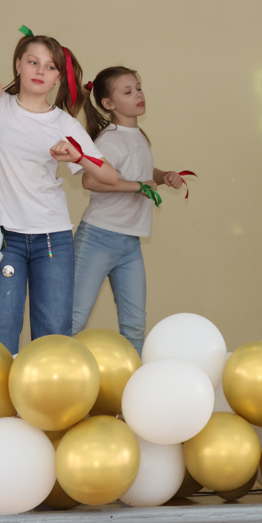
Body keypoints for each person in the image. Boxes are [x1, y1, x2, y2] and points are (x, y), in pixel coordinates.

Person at [0, 28, 118, 354]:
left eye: (50, 66)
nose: (41, 71)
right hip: (0, 238)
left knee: (53, 340)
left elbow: (110, 176)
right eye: (33, 62)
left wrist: (78, 156)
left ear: (58, 77)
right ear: (18, 65)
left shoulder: (64, 124)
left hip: (52, 239)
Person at [72, 66, 186, 355]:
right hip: (98, 238)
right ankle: (47, 374)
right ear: (108, 104)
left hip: (129, 242)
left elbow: (140, 172)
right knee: (73, 320)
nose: (138, 94)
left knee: (135, 325)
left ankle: (134, 380)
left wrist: (163, 176)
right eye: (128, 91)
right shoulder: (110, 139)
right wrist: (139, 186)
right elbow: (90, 180)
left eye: (138, 88)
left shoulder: (137, 135)